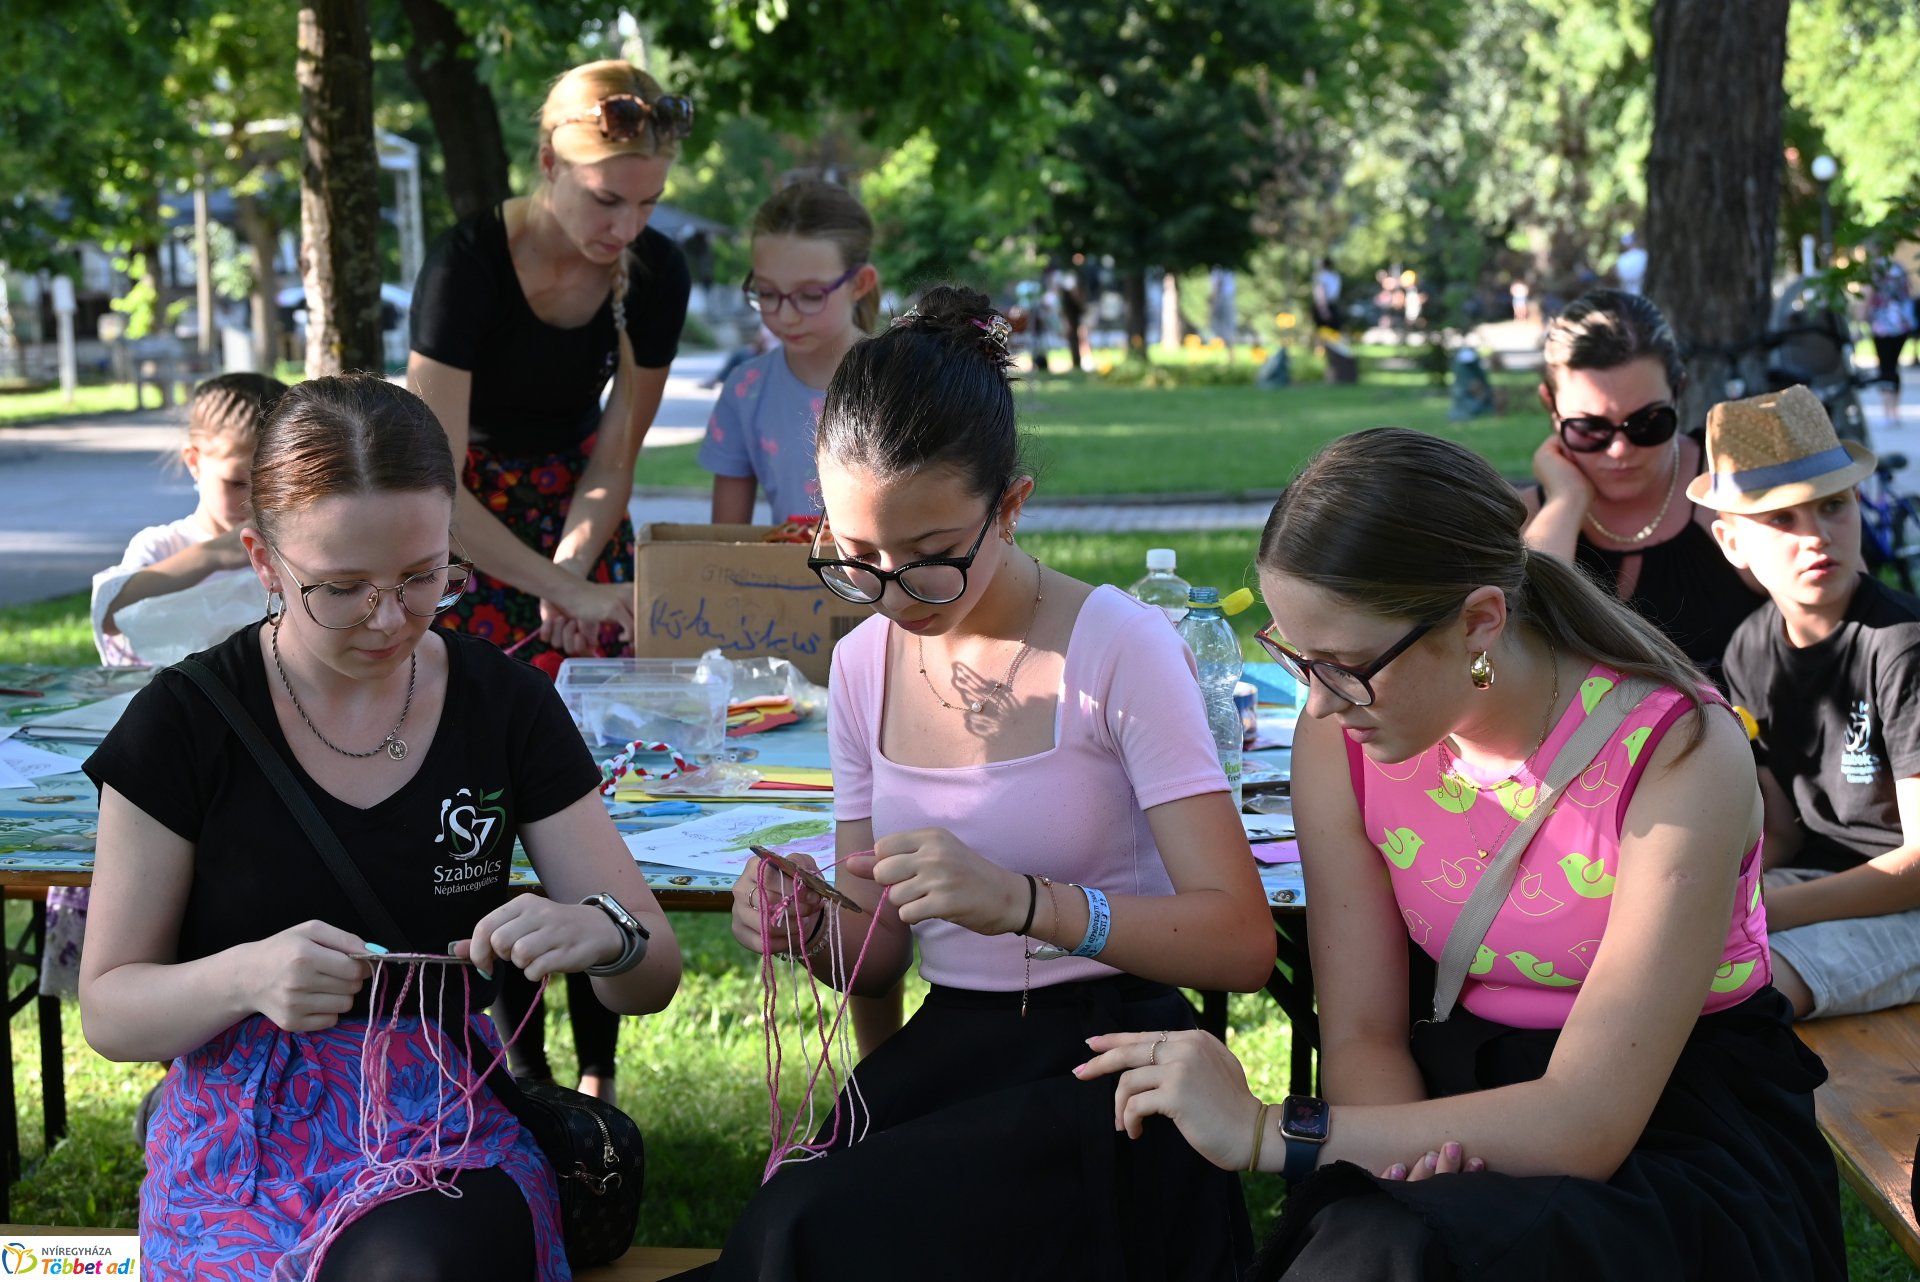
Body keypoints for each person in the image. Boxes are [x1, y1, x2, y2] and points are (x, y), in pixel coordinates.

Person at [1079, 426, 1844, 1280]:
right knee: (1383, 1247)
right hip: (1450, 1092)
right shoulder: (1342, 733)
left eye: (1347, 664)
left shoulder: (1680, 749)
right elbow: (1364, 1033)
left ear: (1481, 620)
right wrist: (1413, 1169)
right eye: (1296, 658)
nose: (1322, 702)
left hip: (1678, 1126)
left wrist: (1267, 1132)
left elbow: (1588, 1123)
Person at [689, 287, 1275, 1280]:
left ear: (1011, 505)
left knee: (806, 1234)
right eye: (854, 557)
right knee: (790, 1223)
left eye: (928, 562)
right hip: (954, 1045)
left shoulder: (1117, 645)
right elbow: (877, 956)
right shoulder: (865, 664)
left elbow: (1241, 943)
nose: (888, 595)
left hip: (1113, 1063)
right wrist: (809, 924)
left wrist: (1028, 905)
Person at [77, 374, 681, 1281]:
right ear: (263, 560)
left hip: (444, 1120)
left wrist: (602, 934)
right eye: (343, 588)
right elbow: (111, 1010)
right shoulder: (186, 721)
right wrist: (247, 976)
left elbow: (653, 975)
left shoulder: (503, 702)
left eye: (422, 577)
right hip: (240, 1136)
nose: (390, 617)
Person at [409, 59, 692, 1102]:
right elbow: (433, 477)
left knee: (588, 789)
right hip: (461, 521)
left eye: (649, 202)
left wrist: (574, 573)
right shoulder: (469, 261)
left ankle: (597, 1075)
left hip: (577, 517)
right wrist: (545, 580)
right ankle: (508, 1062)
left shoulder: (656, 274)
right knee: (476, 796)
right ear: (547, 163)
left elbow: (616, 453)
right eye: (605, 198)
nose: (626, 226)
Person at [1692, 385, 1920, 1019]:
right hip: (1818, 882)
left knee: (1738, 998)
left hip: (1906, 903)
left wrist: (1763, 911)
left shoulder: (1901, 646)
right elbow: (1783, 830)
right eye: (1781, 519)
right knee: (1649, 953)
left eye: (1833, 506)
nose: (1816, 536)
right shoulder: (1748, 648)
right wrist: (1717, 892)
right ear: (1731, 543)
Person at [1521, 289, 1763, 688]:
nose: (1619, 449)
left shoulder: (1733, 484)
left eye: (1648, 423)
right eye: (1589, 428)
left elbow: (1848, 614)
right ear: (1550, 404)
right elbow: (1522, 651)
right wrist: (1566, 501)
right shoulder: (1529, 519)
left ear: (1679, 391)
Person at [699, 180, 879, 525]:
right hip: (782, 579)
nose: (784, 316)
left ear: (860, 284)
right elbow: (724, 542)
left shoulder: (909, 380)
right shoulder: (745, 390)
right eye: (767, 293)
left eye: (810, 295)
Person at [91, 372, 289, 668]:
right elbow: (108, 613)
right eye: (236, 482)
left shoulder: (292, 550)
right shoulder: (163, 546)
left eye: (273, 483)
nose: (253, 500)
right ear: (194, 462)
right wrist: (214, 555)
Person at [1867, 251, 1915, 433]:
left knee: (1885, 367)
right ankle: (1894, 411)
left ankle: (1888, 412)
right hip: (1901, 324)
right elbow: (1909, 291)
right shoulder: (1899, 268)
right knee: (1893, 367)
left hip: (1882, 325)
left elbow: (1869, 297)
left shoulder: (1875, 270)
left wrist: (1860, 320)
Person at [1311, 256, 1342, 331]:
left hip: (1324, 306)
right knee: (1332, 332)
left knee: (1323, 332)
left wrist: (1323, 309)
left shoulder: (1321, 276)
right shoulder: (1335, 276)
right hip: (1330, 305)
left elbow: (1320, 292)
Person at [1614, 232, 1648, 296]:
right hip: (1641, 289)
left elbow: (1620, 275)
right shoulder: (1644, 254)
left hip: (1630, 291)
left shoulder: (1622, 258)